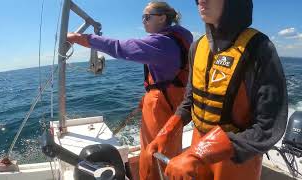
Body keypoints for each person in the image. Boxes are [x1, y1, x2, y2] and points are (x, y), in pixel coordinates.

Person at [145, 0, 288, 179]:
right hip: (197, 150)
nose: (201, 1)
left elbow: (268, 128)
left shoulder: (259, 48)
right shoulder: (196, 48)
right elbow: (190, 100)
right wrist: (165, 134)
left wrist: (198, 154)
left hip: (236, 160)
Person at [66, 1, 193, 179]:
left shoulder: (162, 43)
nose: (143, 21)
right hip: (173, 99)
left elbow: (121, 47)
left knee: (153, 151)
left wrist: (80, 38)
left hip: (162, 106)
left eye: (147, 17)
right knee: (168, 147)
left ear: (162, 18)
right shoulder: (178, 39)